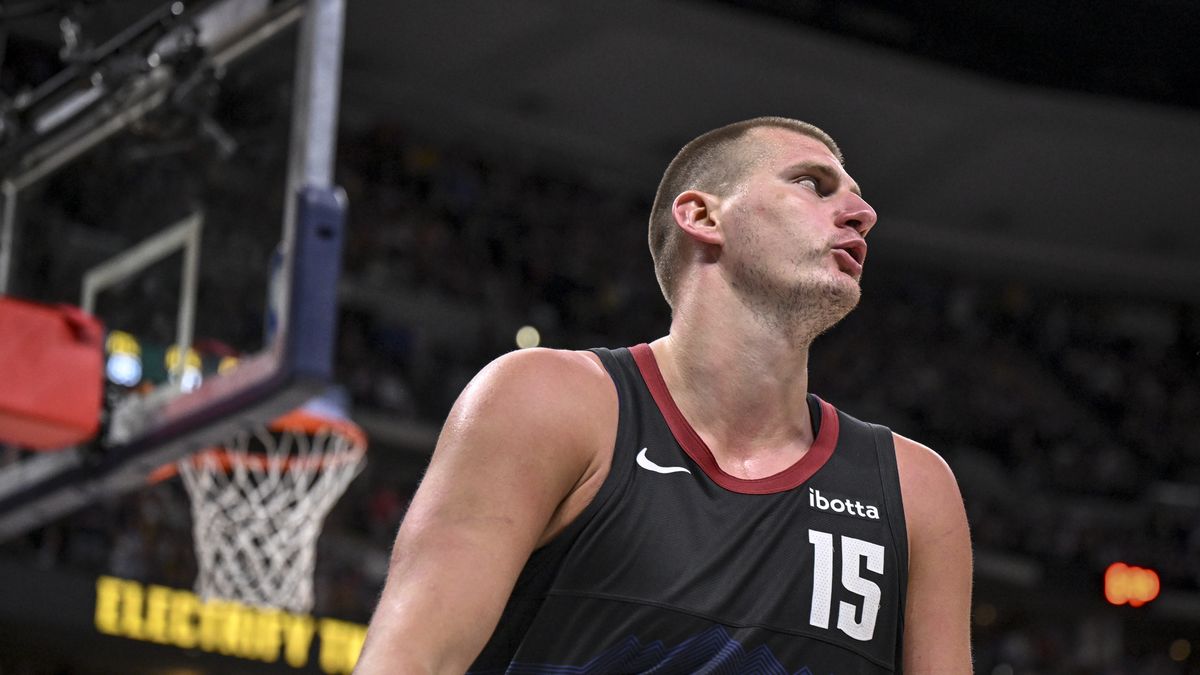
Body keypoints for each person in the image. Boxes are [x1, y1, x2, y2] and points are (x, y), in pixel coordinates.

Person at [355, 117, 972, 674]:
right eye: (813, 184)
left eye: (857, 196)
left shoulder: (915, 488)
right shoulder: (550, 401)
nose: (862, 213)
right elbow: (412, 659)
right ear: (703, 216)